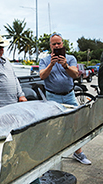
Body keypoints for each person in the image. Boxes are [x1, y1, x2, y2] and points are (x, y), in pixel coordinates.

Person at [39, 33, 91, 165]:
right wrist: (51, 65)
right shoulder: (44, 60)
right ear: (50, 46)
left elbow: (75, 74)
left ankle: (78, 152)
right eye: (54, 44)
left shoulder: (71, 58)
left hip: (69, 95)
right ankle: (53, 153)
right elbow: (42, 76)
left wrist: (65, 65)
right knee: (54, 125)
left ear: (63, 44)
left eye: (59, 43)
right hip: (52, 96)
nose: (57, 46)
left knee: (75, 123)